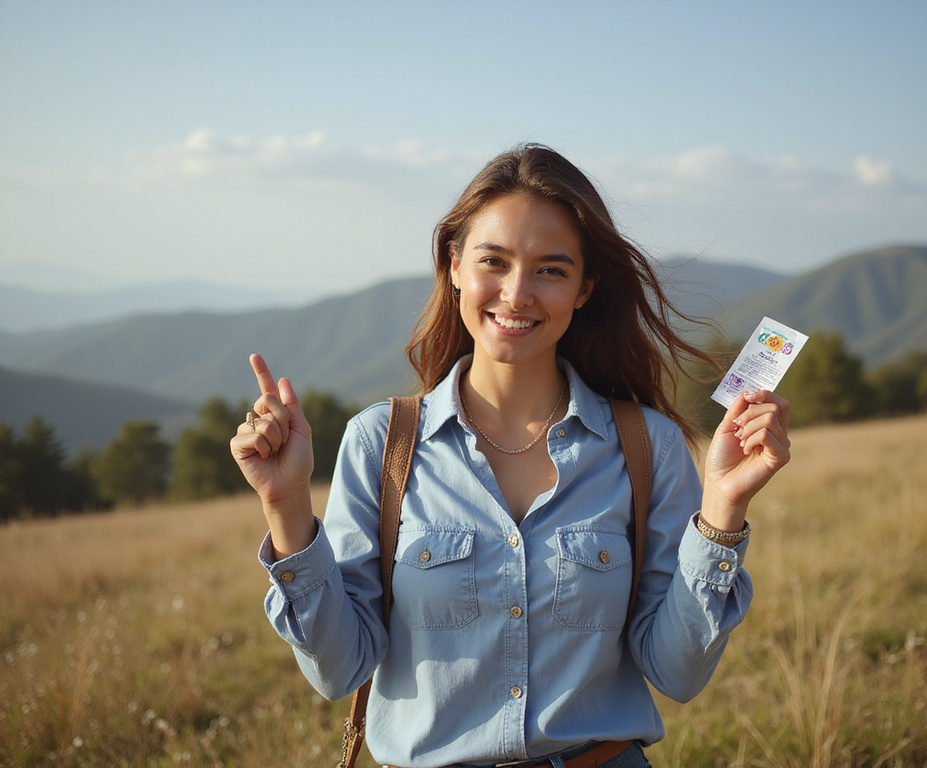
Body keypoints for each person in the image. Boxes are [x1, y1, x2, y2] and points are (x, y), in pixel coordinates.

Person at [230, 144, 791, 768]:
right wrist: (283, 507)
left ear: (584, 289)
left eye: (551, 270)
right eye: (493, 261)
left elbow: (677, 672)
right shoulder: (379, 444)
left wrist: (723, 509)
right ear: (454, 266)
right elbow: (339, 670)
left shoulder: (648, 447)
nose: (517, 293)